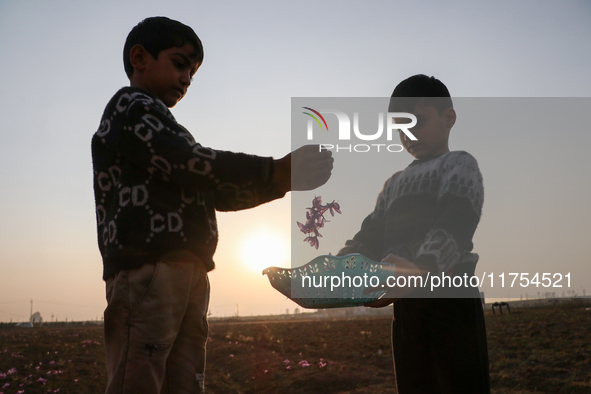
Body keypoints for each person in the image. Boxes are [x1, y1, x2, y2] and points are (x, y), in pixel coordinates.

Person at [91, 16, 332, 394]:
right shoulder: (130, 107)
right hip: (149, 269)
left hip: (187, 271)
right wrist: (274, 172)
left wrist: (281, 182)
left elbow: (210, 190)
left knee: (184, 380)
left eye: (193, 71)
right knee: (139, 378)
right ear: (140, 57)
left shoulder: (165, 124)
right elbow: (187, 162)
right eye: (179, 62)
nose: (187, 78)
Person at [338, 75, 490, 393]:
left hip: (450, 298)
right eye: (400, 126)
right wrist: (349, 257)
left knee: (458, 382)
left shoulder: (459, 164)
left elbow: (455, 222)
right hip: (405, 304)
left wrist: (421, 267)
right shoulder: (395, 182)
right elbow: (373, 229)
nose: (408, 134)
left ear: (448, 118)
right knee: (415, 381)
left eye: (418, 121)